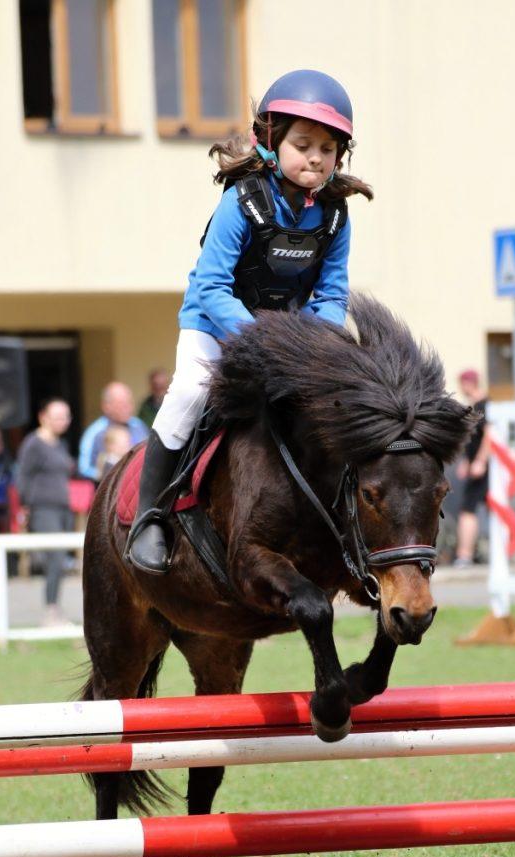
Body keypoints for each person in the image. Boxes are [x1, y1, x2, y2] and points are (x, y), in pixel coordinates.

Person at [127, 69, 373, 574]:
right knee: (189, 393)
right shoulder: (240, 201)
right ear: (272, 141)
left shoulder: (335, 216)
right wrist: (263, 340)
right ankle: (149, 518)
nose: (315, 157)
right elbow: (211, 287)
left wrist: (314, 346)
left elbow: (331, 295)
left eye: (327, 149)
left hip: (287, 339)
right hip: (213, 328)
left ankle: (345, 527)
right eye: (303, 145)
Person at [16, 398, 75, 625]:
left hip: (63, 509)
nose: (64, 421)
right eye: (58, 417)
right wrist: (26, 506)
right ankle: (50, 611)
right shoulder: (33, 444)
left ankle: (55, 609)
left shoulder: (61, 444)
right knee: (55, 559)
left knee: (60, 560)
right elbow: (22, 477)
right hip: (43, 509)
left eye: (66, 417)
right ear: (43, 417)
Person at [454, 369, 490, 568]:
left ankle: (464, 555)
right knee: (485, 509)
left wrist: (480, 461)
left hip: (486, 468)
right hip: (477, 466)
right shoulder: (475, 406)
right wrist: (467, 461)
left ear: (469, 383)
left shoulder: (485, 405)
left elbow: (490, 435)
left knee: (468, 510)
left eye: (462, 383)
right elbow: (473, 439)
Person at [78, 382, 148, 482]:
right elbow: (84, 468)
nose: (127, 408)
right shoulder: (95, 432)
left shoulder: (138, 425)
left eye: (129, 403)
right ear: (106, 406)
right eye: (122, 404)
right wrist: (109, 475)